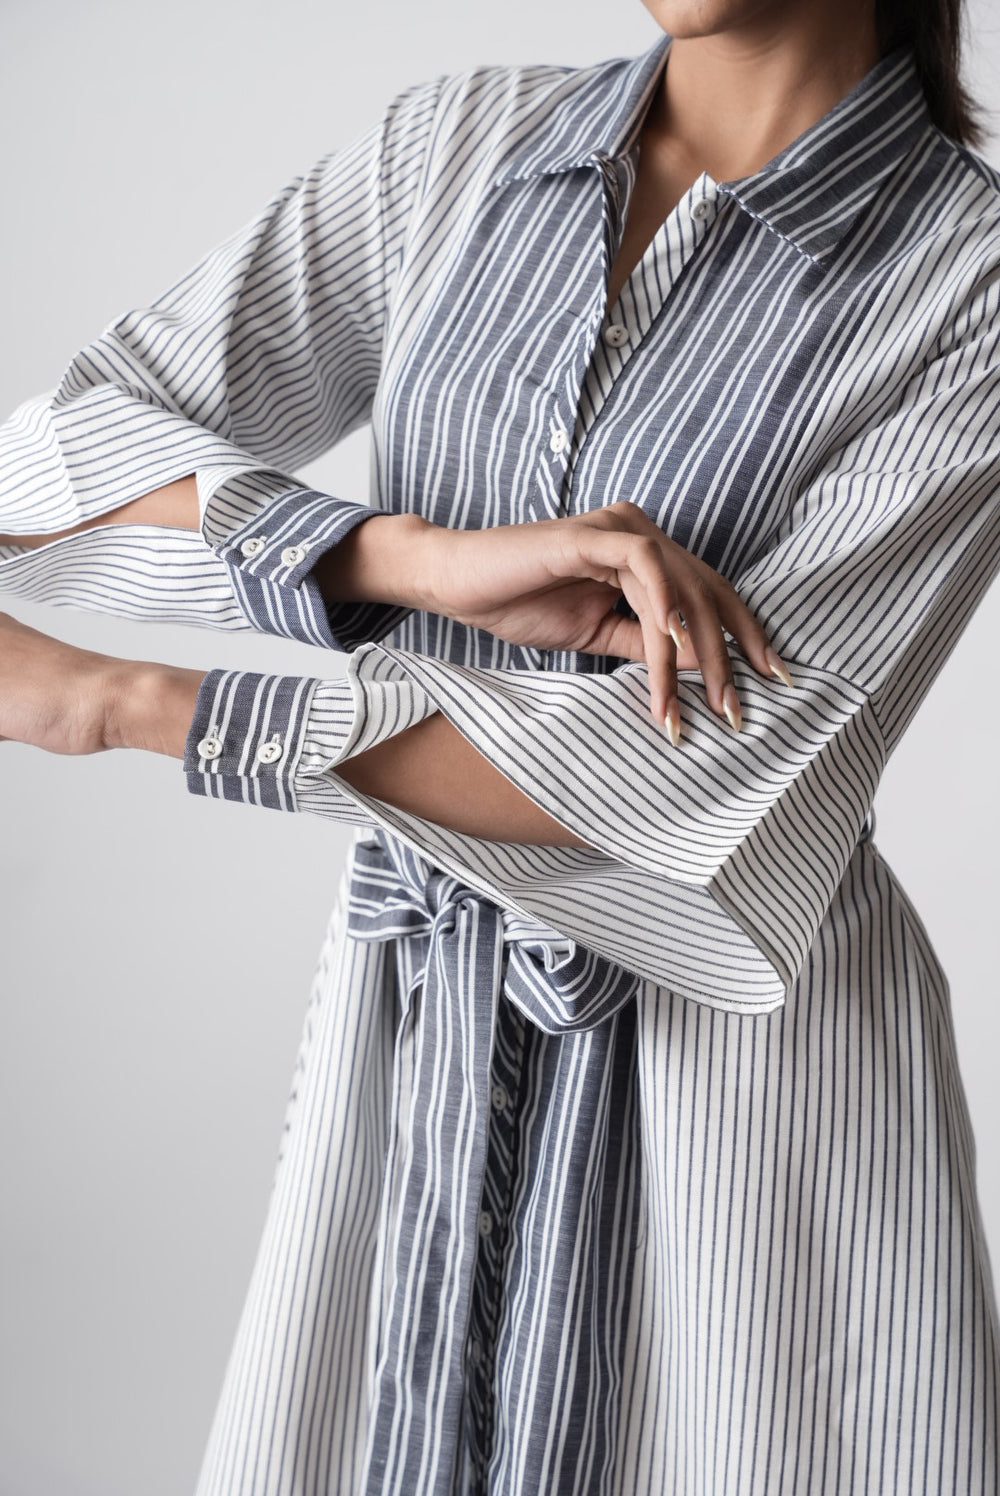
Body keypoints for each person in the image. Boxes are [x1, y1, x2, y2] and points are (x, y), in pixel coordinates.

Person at [1, 0, 998, 1491]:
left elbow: (704, 772)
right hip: (414, 1019)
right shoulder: (458, 148)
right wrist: (399, 559)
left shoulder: (972, 280)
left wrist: (142, 704)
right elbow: (45, 465)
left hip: (741, 1093)